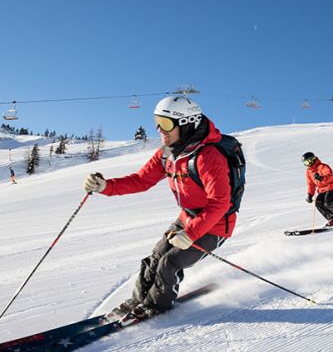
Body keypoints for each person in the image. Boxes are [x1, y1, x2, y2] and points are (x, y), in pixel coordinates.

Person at [83, 96, 234, 318]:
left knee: (169, 263)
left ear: (186, 124)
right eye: (157, 122)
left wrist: (191, 234)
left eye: (165, 123)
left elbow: (220, 202)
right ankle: (138, 301)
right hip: (187, 217)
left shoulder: (208, 156)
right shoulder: (168, 153)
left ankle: (157, 306)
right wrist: (106, 186)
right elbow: (141, 180)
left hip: (216, 224)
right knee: (155, 257)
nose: (160, 130)